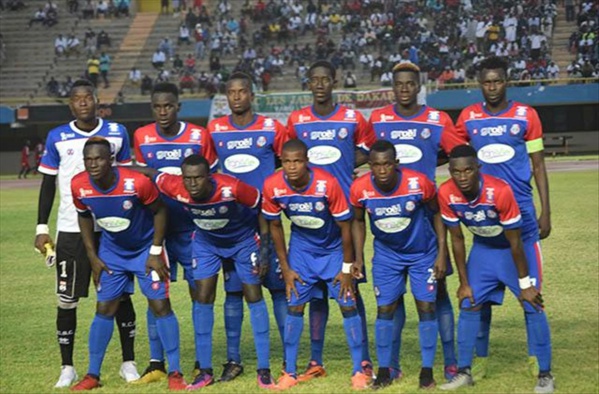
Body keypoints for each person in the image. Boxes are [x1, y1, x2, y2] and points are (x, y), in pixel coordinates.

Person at [449, 56, 552, 380]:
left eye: (497, 81)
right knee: (472, 301)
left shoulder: (526, 115)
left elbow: (538, 165)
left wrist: (545, 210)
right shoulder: (468, 117)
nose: (492, 87)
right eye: (486, 82)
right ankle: (471, 366)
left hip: (520, 220)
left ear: (507, 81)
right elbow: (455, 158)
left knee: (532, 299)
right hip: (483, 227)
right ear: (480, 84)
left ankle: (542, 370)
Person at [34, 80, 139, 388]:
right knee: (67, 299)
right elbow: (47, 185)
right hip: (70, 230)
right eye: (77, 99)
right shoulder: (57, 137)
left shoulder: (118, 133)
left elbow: (127, 178)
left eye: (88, 98)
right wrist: (42, 228)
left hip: (111, 228)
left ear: (97, 101)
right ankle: (67, 367)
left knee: (119, 296)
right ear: (71, 105)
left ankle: (128, 362)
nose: (83, 103)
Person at [68, 137, 187, 391]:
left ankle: (175, 373)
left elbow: (160, 211)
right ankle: (92, 375)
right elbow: (84, 217)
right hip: (112, 253)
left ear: (110, 160)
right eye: (88, 159)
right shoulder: (78, 185)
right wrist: (93, 255)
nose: (93, 164)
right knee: (104, 309)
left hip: (146, 251)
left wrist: (155, 251)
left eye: (98, 158)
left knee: (160, 305)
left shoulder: (136, 182)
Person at [153, 154, 277, 390]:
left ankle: (264, 370)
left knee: (253, 296)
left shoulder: (232, 187)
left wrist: (264, 249)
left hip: (242, 242)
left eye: (198, 178)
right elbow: (151, 174)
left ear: (209, 177)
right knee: (203, 297)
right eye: (187, 178)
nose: (192, 184)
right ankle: (205, 371)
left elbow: (261, 207)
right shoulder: (175, 186)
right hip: (206, 243)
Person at [369, 62, 459, 382]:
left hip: (425, 214)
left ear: (418, 86)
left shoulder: (437, 120)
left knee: (438, 296)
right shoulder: (378, 119)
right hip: (390, 215)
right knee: (391, 301)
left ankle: (449, 362)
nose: (404, 89)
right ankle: (389, 365)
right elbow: (368, 156)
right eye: (399, 84)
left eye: (410, 84)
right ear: (392, 87)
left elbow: (459, 153)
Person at [437, 145, 554, 393]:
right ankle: (464, 372)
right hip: (484, 249)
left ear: (478, 168)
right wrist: (464, 282)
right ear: (450, 172)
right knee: (469, 302)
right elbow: (456, 239)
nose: (462, 177)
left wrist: (525, 284)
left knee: (532, 303)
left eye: (468, 170)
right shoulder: (446, 192)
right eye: (456, 172)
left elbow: (515, 241)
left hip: (519, 246)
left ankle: (545, 374)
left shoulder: (499, 191)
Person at [286, 60, 376, 383]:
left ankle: (363, 361)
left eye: (326, 79)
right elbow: (286, 153)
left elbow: (370, 149)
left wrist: (342, 162)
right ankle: (315, 359)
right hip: (309, 217)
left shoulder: (352, 118)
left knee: (350, 284)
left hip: (344, 216)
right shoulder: (297, 120)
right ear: (309, 83)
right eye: (315, 79)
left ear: (334, 81)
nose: (320, 84)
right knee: (317, 294)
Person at [262, 140, 368, 390]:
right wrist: (286, 268)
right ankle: (289, 371)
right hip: (301, 251)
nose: (292, 167)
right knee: (295, 307)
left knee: (348, 305)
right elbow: (275, 226)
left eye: (297, 161)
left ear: (307, 161)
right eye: (287, 161)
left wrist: (346, 268)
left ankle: (359, 371)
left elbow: (346, 227)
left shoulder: (326, 184)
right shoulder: (273, 185)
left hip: (333, 250)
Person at [132, 82, 217, 384]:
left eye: (168, 105)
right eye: (157, 106)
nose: (163, 111)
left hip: (193, 229)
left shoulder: (198, 135)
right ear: (152, 108)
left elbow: (212, 178)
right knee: (154, 294)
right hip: (155, 231)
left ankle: (200, 362)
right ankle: (156, 363)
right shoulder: (142, 136)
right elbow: (142, 179)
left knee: (201, 294)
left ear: (178, 106)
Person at [207, 71, 288, 381]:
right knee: (234, 291)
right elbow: (210, 172)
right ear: (226, 96)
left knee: (278, 287)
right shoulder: (215, 130)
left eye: (242, 91)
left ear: (251, 95)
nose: (237, 97)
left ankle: (287, 356)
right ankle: (233, 359)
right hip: (232, 225)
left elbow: (286, 162)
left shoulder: (271, 128)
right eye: (231, 92)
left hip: (267, 220)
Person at [350, 140, 446, 389]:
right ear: (370, 166)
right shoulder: (360, 188)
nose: (382, 171)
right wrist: (358, 257)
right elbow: (358, 221)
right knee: (385, 310)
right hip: (386, 256)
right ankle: (384, 371)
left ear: (396, 164)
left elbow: (437, 214)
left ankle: (426, 371)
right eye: (377, 165)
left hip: (422, 253)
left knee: (426, 307)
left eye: (387, 165)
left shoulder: (418, 183)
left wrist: (441, 254)